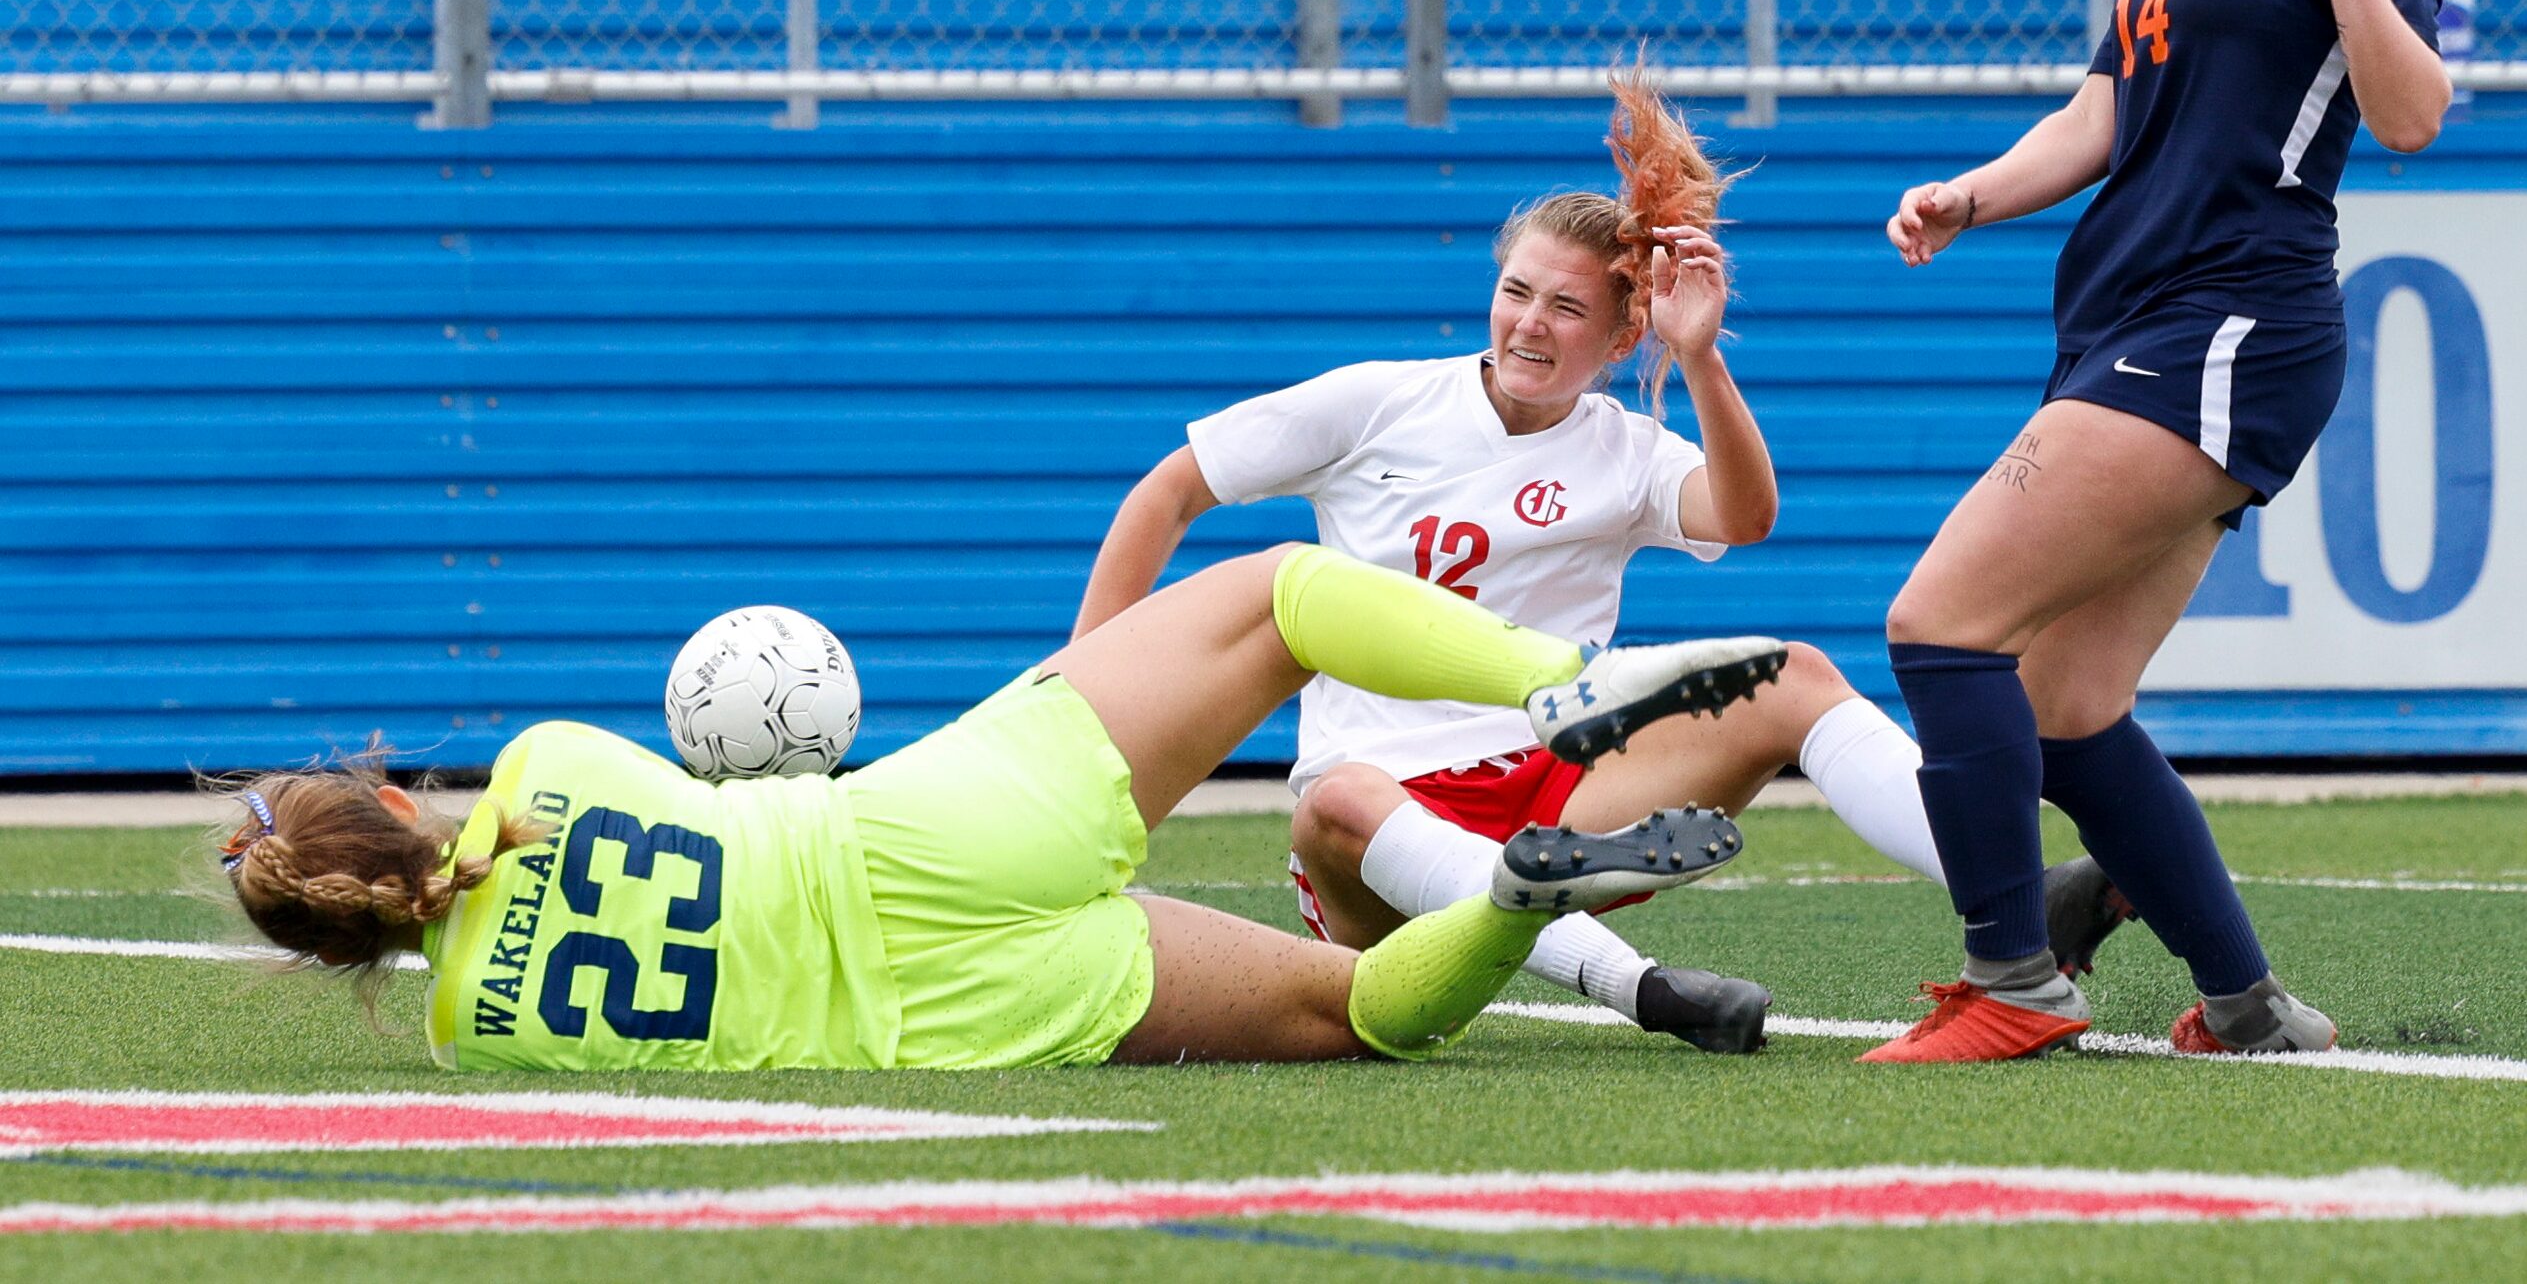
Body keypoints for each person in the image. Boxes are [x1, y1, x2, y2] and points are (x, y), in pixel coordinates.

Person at [1862, 0, 2450, 1065]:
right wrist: (1970, 194)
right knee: (2063, 699)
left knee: (1940, 626)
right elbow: (2102, 111)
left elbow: (2409, 115)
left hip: (2226, 327)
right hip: (2140, 322)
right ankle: (2251, 1003)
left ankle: (2015, 977)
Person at [1078, 73, 1999, 1057]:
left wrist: (1701, 360)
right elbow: (1168, 490)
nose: (1529, 322)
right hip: (1389, 824)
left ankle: (2009, 906)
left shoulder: (1624, 446)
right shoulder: (1380, 404)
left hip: (1557, 781)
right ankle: (1639, 984)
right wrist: (1086, 698)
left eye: (1566, 308)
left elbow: (1744, 517)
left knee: (1796, 677)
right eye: (1516, 291)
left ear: (1621, 335)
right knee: (1334, 800)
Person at [215, 544, 1782, 1071]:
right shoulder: (545, 762)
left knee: (1367, 1013)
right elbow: (734, 786)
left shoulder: (474, 1036)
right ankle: (1554, 678)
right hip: (930, 826)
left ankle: (1508, 895)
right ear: (389, 798)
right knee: (1278, 598)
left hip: (955, 1011)